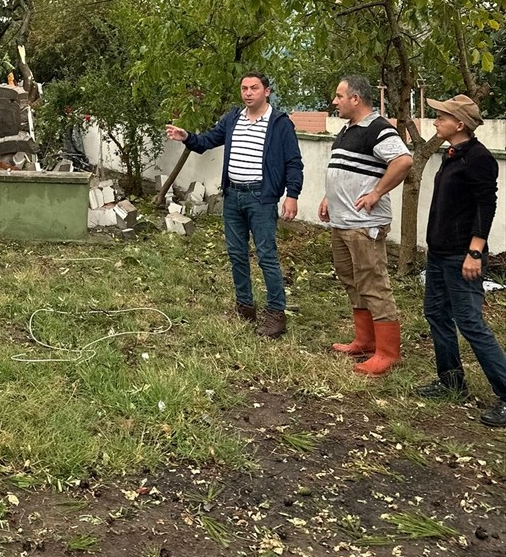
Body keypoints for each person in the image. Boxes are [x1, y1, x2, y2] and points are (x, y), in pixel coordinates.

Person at [166, 72, 303, 338]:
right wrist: (187, 137)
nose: (248, 92)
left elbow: (293, 162)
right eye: (244, 88)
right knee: (237, 254)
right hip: (233, 197)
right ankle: (245, 307)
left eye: (254, 88)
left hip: (261, 198)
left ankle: (276, 313)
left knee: (266, 255)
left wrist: (292, 195)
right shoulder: (233, 119)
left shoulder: (279, 123)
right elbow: (207, 141)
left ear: (267, 91)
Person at [416, 94, 505, 428]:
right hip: (440, 253)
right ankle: (451, 380)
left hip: (461, 255)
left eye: (442, 117)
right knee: (436, 313)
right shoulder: (452, 155)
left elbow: (487, 205)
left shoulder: (478, 158)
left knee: (470, 323)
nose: (437, 121)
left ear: (460, 124)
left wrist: (475, 251)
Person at [319, 75, 413, 376]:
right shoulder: (347, 130)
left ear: (356, 98)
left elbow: (402, 161)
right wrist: (327, 197)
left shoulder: (378, 129)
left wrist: (377, 192)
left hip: (364, 224)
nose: (335, 101)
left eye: (339, 95)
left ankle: (388, 352)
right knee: (352, 280)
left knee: (373, 284)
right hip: (342, 221)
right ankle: (364, 341)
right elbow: (345, 169)